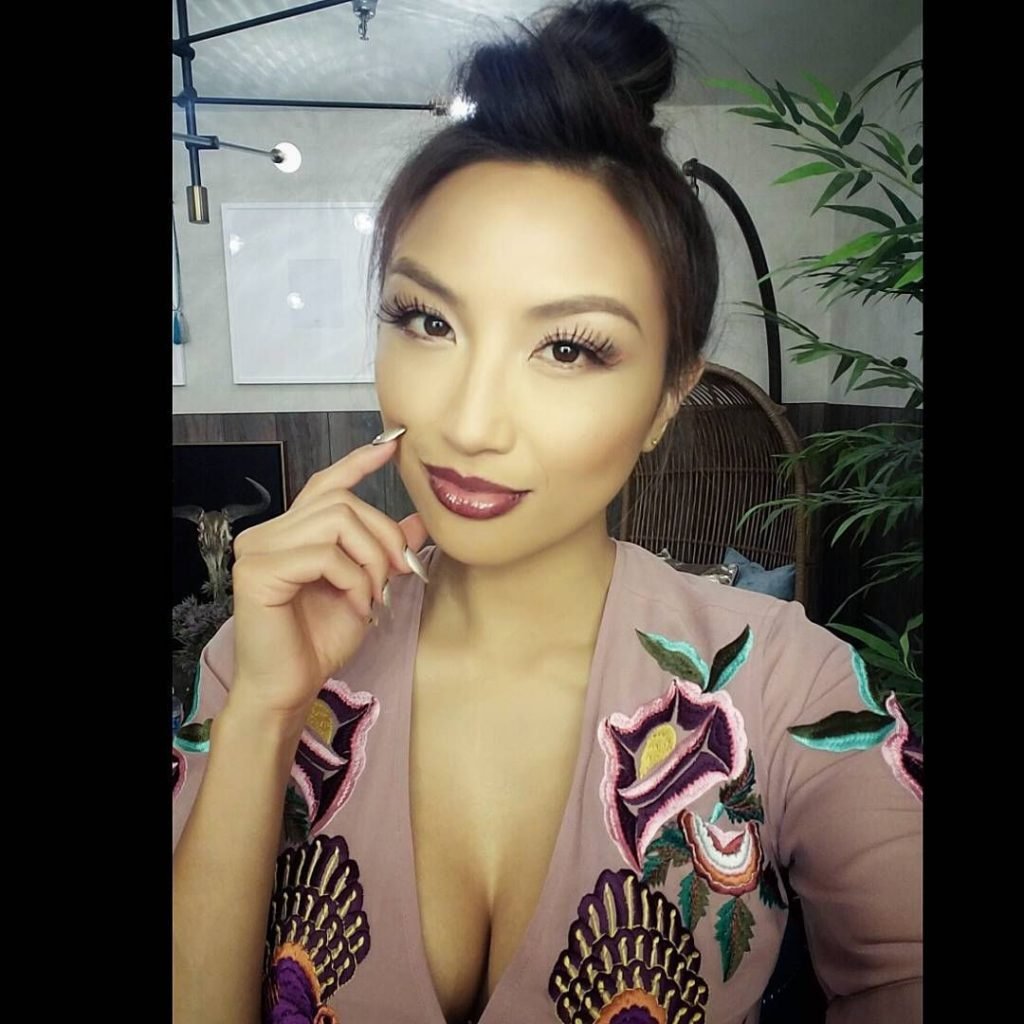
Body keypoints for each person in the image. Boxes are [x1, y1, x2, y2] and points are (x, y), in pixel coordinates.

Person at [171, 3, 923, 1022]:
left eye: (568, 348)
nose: (470, 423)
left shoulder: (788, 687)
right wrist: (265, 709)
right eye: (427, 320)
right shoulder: (259, 658)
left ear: (666, 399)